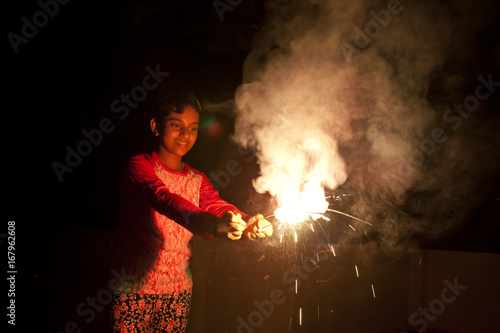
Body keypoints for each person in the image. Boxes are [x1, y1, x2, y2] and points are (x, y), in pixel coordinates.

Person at [109, 91, 273, 333]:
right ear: (156, 126)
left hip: (178, 291)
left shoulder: (197, 178)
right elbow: (165, 199)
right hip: (133, 290)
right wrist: (211, 224)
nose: (185, 135)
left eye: (193, 128)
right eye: (177, 125)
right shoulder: (139, 165)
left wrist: (247, 221)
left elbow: (215, 204)